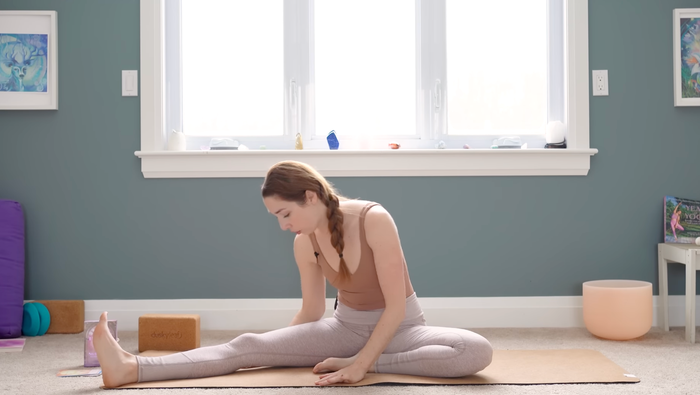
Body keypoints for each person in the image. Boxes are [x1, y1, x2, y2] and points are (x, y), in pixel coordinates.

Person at [93, 160, 493, 387]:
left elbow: (393, 309)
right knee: (247, 346)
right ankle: (132, 367)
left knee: (475, 351)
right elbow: (312, 311)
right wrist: (277, 345)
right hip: (344, 330)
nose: (283, 225)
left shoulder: (375, 219)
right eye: (276, 218)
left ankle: (377, 363)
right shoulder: (305, 242)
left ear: (311, 196)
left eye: (285, 214)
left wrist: (360, 365)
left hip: (404, 329)